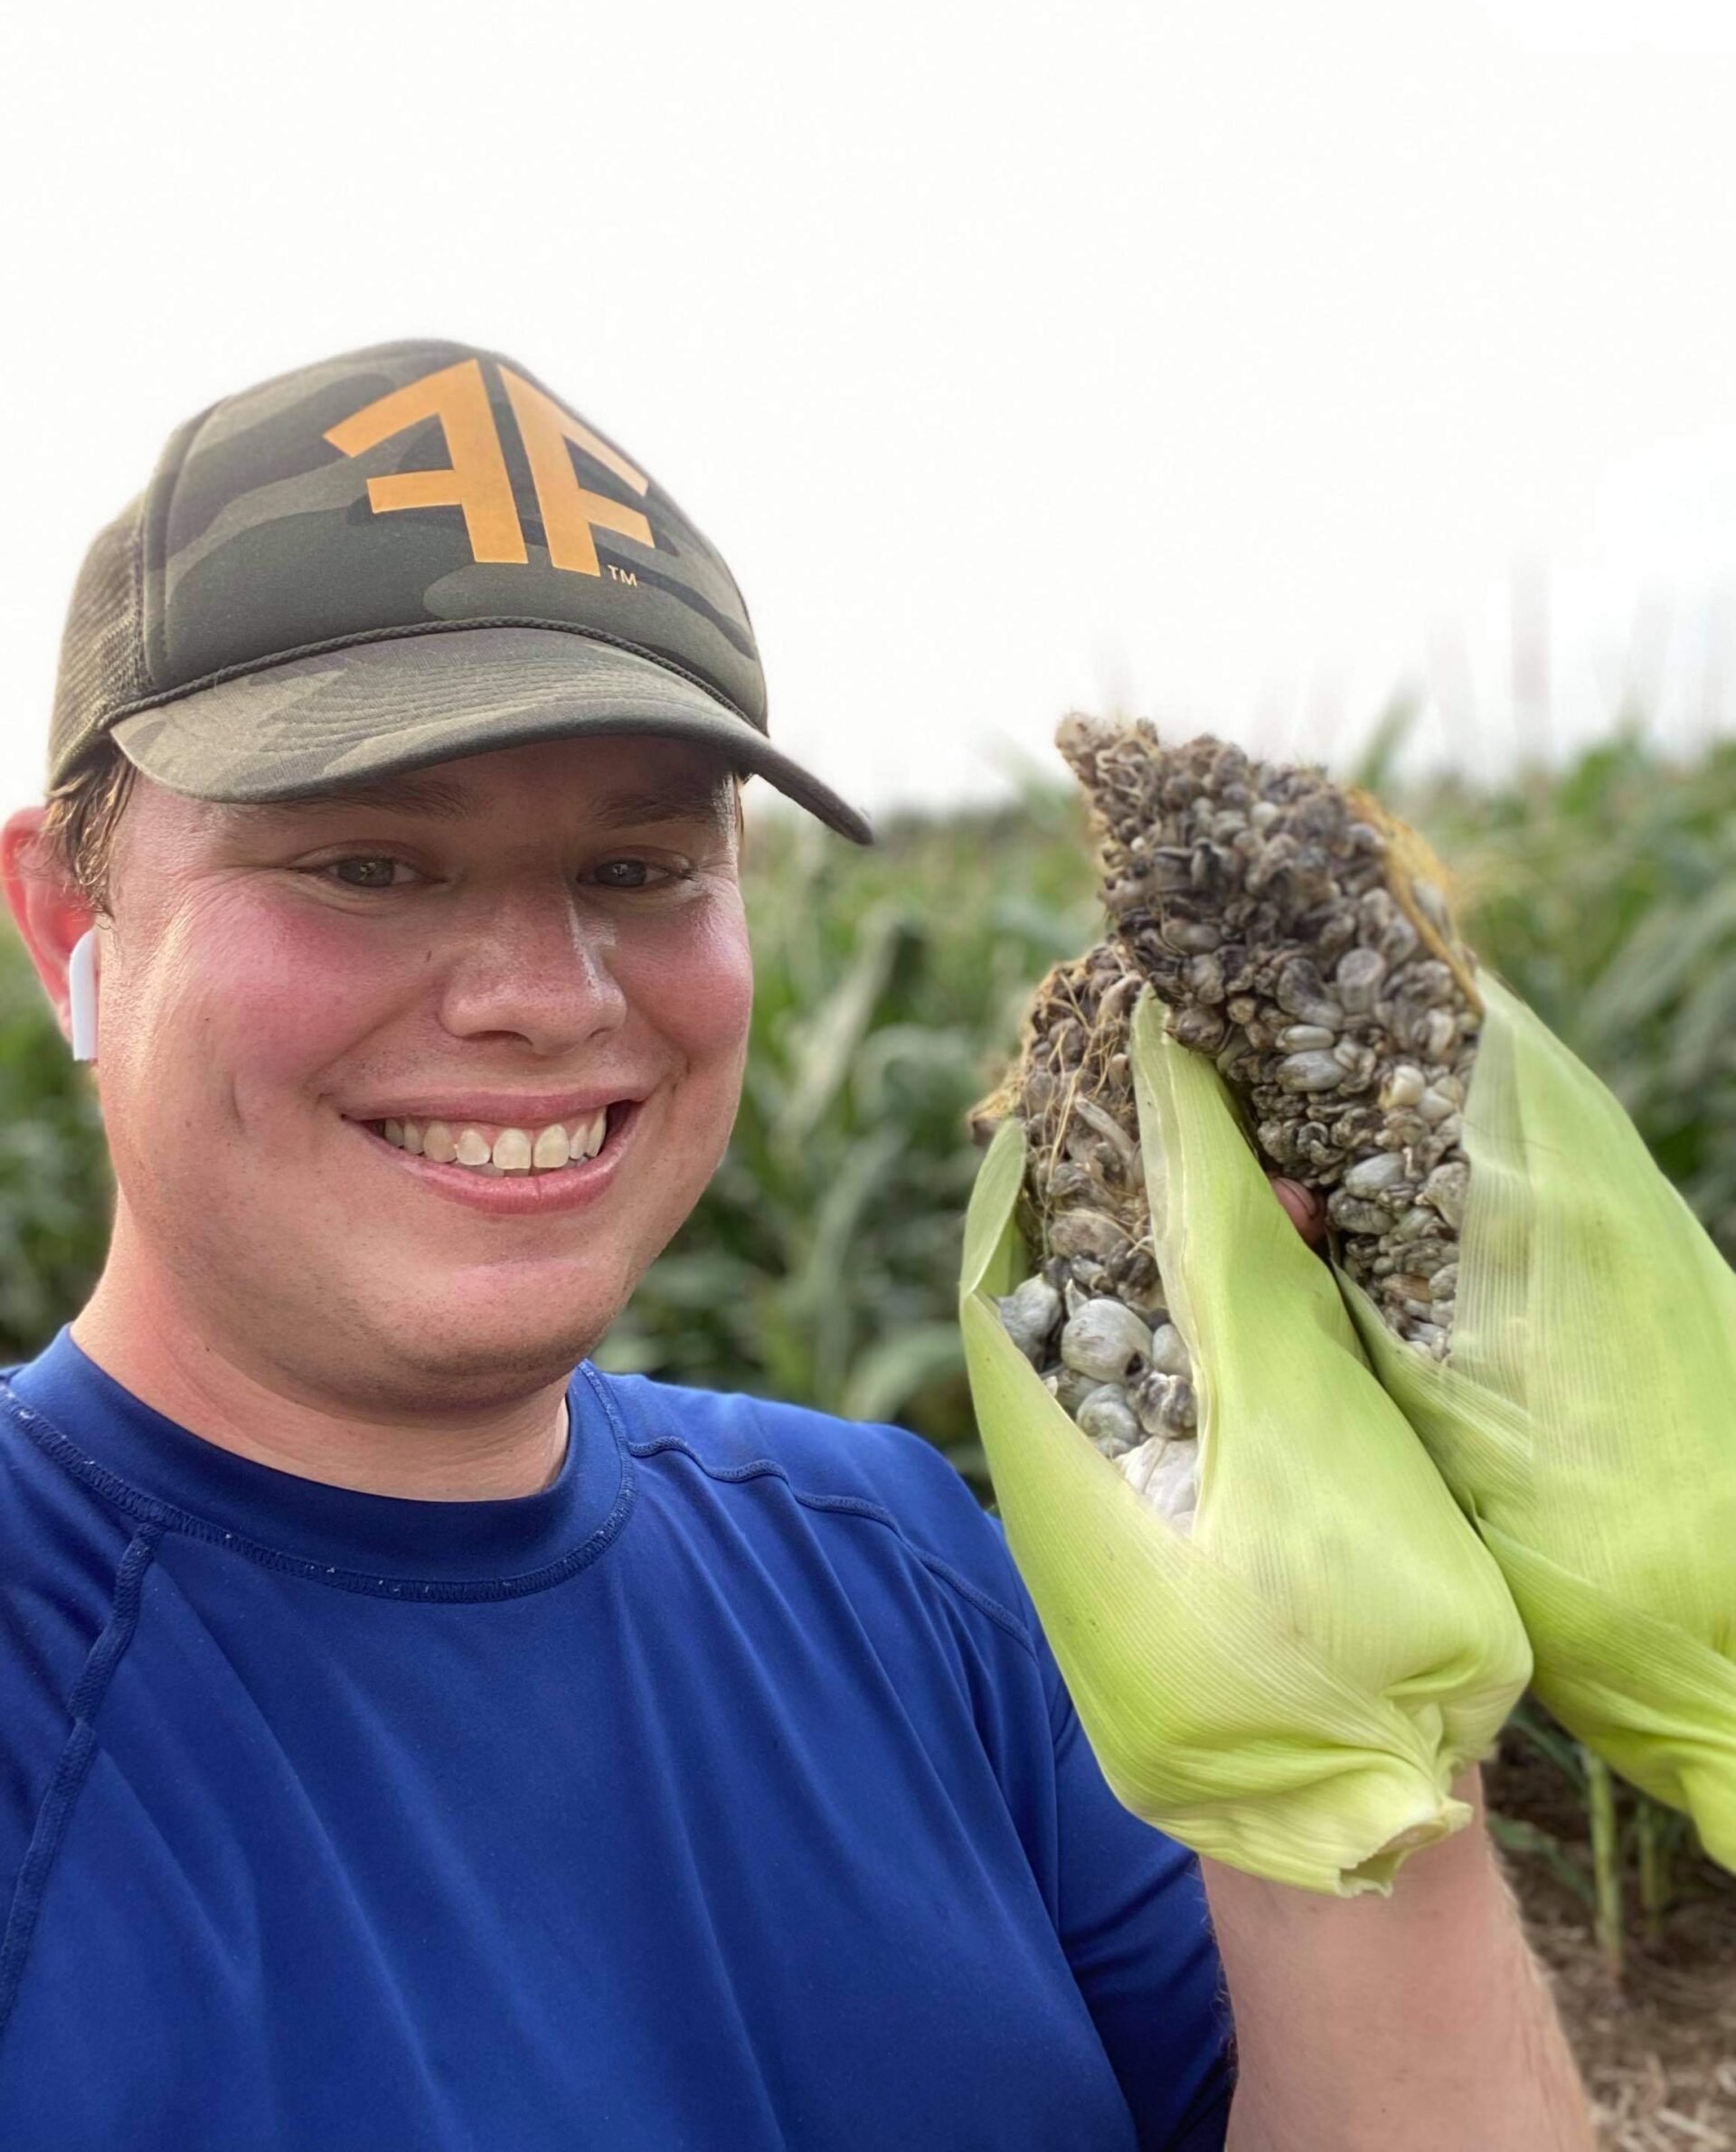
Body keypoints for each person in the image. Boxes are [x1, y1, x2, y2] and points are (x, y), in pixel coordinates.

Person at [0, 340, 1590, 2150]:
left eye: (641, 868)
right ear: (68, 917)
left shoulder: (900, 1565)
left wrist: (1346, 1640)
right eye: (370, 862)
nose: (545, 994)